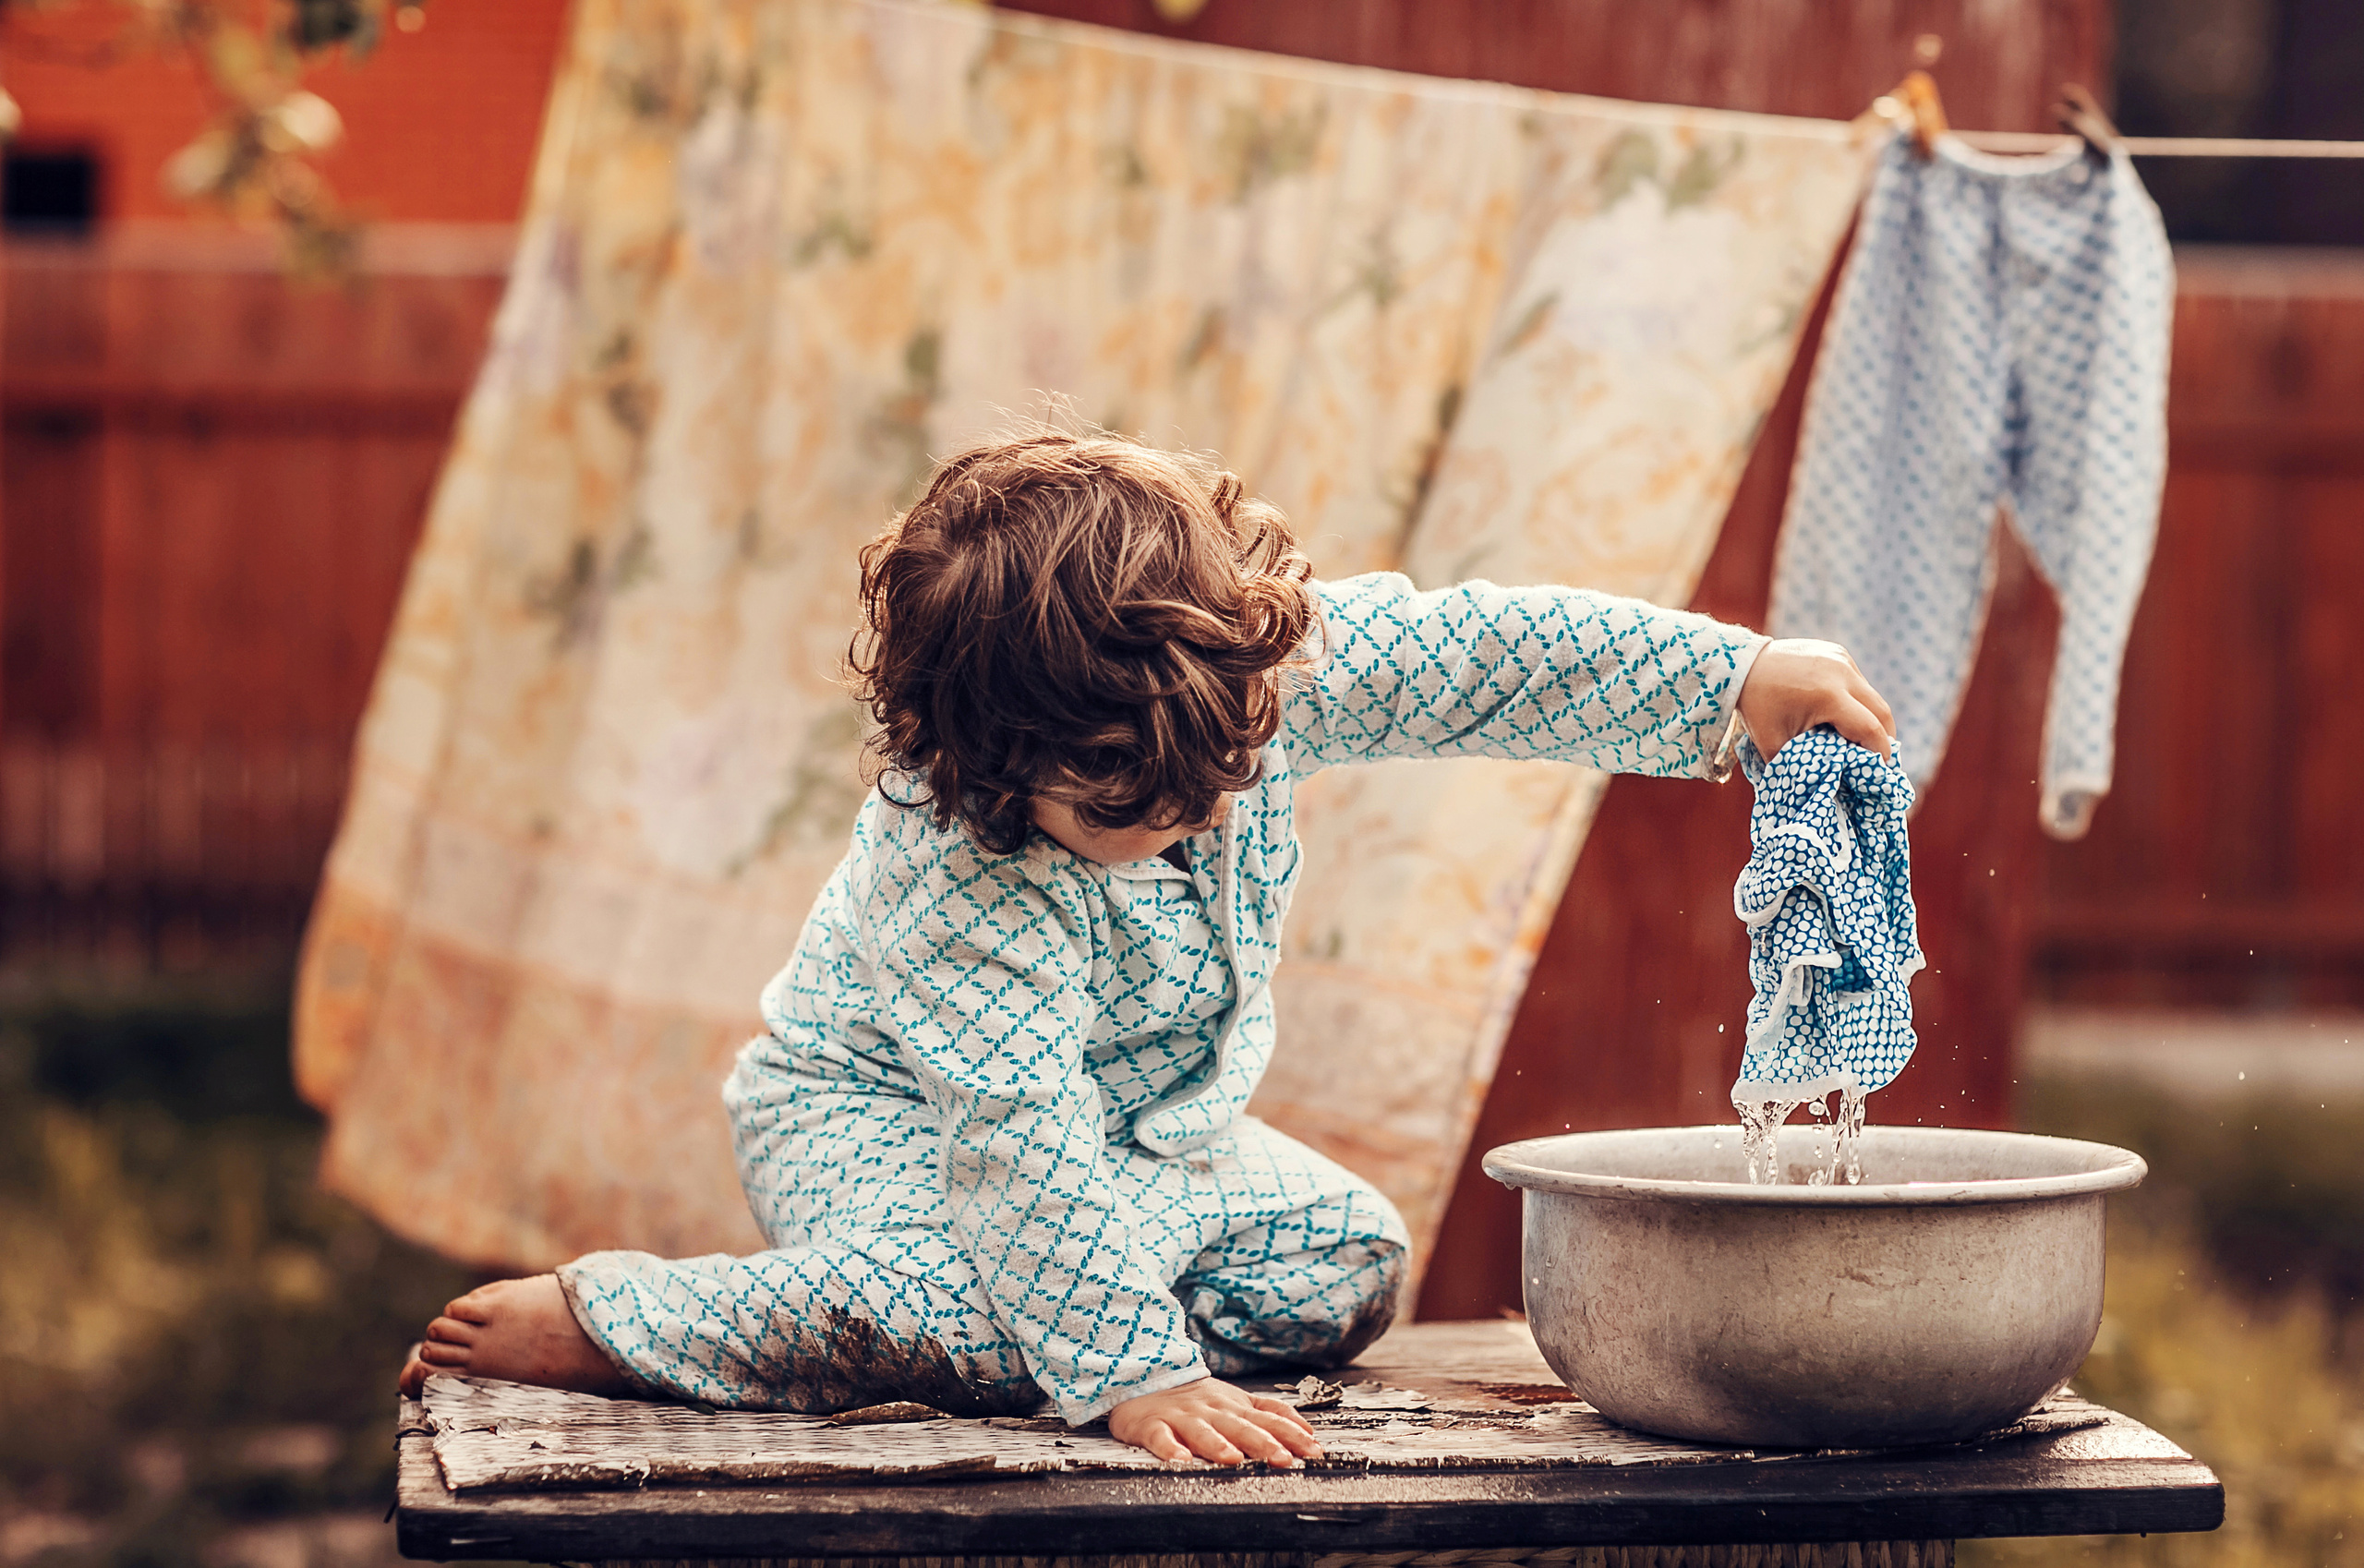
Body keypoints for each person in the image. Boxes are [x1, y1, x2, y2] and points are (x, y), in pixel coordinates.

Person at [398, 429, 1893, 1467]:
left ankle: (1062, 1306)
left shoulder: (1234, 668)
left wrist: (1738, 679)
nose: (1201, 811)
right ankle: (626, 1321)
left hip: (1140, 1136)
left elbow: (1492, 657)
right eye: (1132, 805)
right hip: (885, 1118)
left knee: (1348, 1260)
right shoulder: (956, 869)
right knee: (963, 1301)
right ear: (993, 766)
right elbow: (1013, 1136)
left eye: (1221, 774)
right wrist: (1134, 1371)